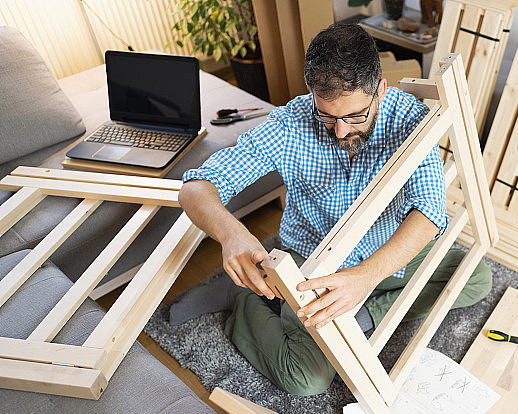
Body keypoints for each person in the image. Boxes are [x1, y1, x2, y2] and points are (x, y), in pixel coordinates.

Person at [171, 23, 491, 395]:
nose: (340, 132)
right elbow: (195, 189)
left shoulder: (410, 121)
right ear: (312, 96)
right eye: (327, 116)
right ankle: (244, 302)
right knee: (306, 377)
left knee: (475, 278)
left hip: (381, 252)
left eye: (355, 116)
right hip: (313, 261)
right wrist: (232, 234)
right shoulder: (290, 124)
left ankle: (363, 312)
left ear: (380, 91)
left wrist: (365, 279)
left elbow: (429, 214)